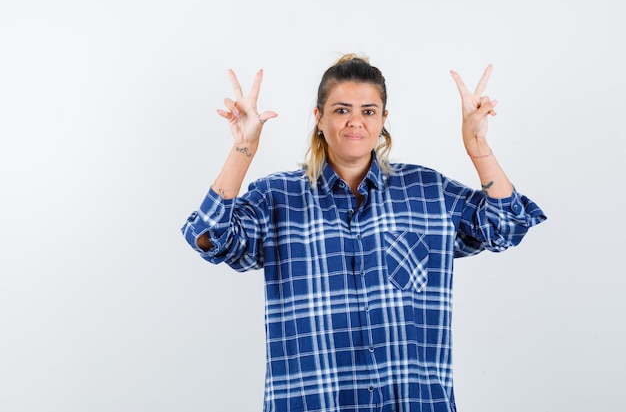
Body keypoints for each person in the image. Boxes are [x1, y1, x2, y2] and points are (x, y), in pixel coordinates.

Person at [181, 54, 546, 412]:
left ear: (383, 120)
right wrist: (244, 146)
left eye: (368, 111)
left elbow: (506, 225)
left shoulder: (427, 191)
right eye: (341, 110)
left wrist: (477, 146)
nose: (355, 121)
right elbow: (211, 237)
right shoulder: (277, 198)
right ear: (319, 119)